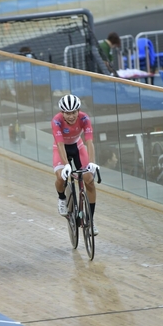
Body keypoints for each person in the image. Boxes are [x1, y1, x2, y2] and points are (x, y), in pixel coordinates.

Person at [52, 94, 100, 235]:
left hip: (77, 146)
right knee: (61, 177)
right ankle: (62, 198)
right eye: (67, 113)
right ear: (62, 112)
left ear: (78, 111)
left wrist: (92, 162)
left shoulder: (84, 118)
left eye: (74, 112)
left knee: (89, 180)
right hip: (61, 148)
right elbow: (60, 144)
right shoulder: (56, 121)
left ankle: (90, 220)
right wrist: (66, 165)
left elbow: (89, 142)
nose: (71, 116)